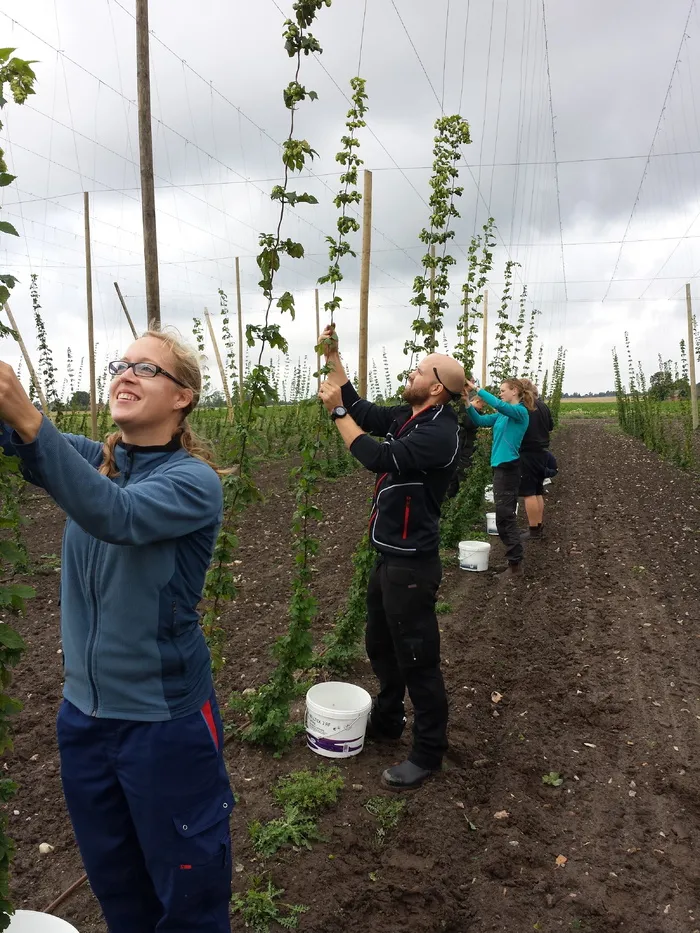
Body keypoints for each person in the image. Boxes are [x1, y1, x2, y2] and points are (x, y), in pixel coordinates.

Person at [0, 330, 233, 933]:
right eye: (120, 365)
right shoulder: (94, 459)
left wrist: (29, 416)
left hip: (164, 724)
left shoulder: (193, 482)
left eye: (146, 369)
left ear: (183, 397)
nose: (125, 375)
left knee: (188, 894)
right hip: (83, 720)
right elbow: (27, 446)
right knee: (116, 884)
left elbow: (115, 515)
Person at [317, 326, 463, 791]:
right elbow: (362, 409)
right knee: (381, 645)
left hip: (413, 564)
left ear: (436, 386)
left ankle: (427, 753)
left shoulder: (440, 433)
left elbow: (375, 456)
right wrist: (335, 357)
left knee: (419, 659)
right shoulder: (410, 414)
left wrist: (336, 412)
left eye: (420, 369)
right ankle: (386, 719)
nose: (412, 371)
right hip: (389, 558)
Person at [463, 377, 535, 580]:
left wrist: (477, 389)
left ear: (515, 392)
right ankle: (513, 561)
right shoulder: (503, 416)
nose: (501, 393)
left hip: (508, 469)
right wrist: (468, 402)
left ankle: (515, 565)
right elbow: (479, 421)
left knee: (506, 517)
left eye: (503, 390)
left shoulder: (519, 412)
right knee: (503, 517)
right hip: (500, 468)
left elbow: (499, 405)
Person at [518, 379, 554, 539]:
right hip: (542, 452)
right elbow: (551, 426)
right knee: (538, 489)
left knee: (528, 492)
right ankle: (538, 525)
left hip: (527, 452)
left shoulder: (525, 407)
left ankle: (533, 530)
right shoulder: (543, 406)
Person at [445, 393, 486, 499]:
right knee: (461, 475)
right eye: (482, 405)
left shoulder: (464, 409)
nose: (482, 408)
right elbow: (469, 424)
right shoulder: (464, 409)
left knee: (459, 475)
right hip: (464, 447)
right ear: (477, 401)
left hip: (466, 447)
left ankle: (455, 499)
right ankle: (456, 499)